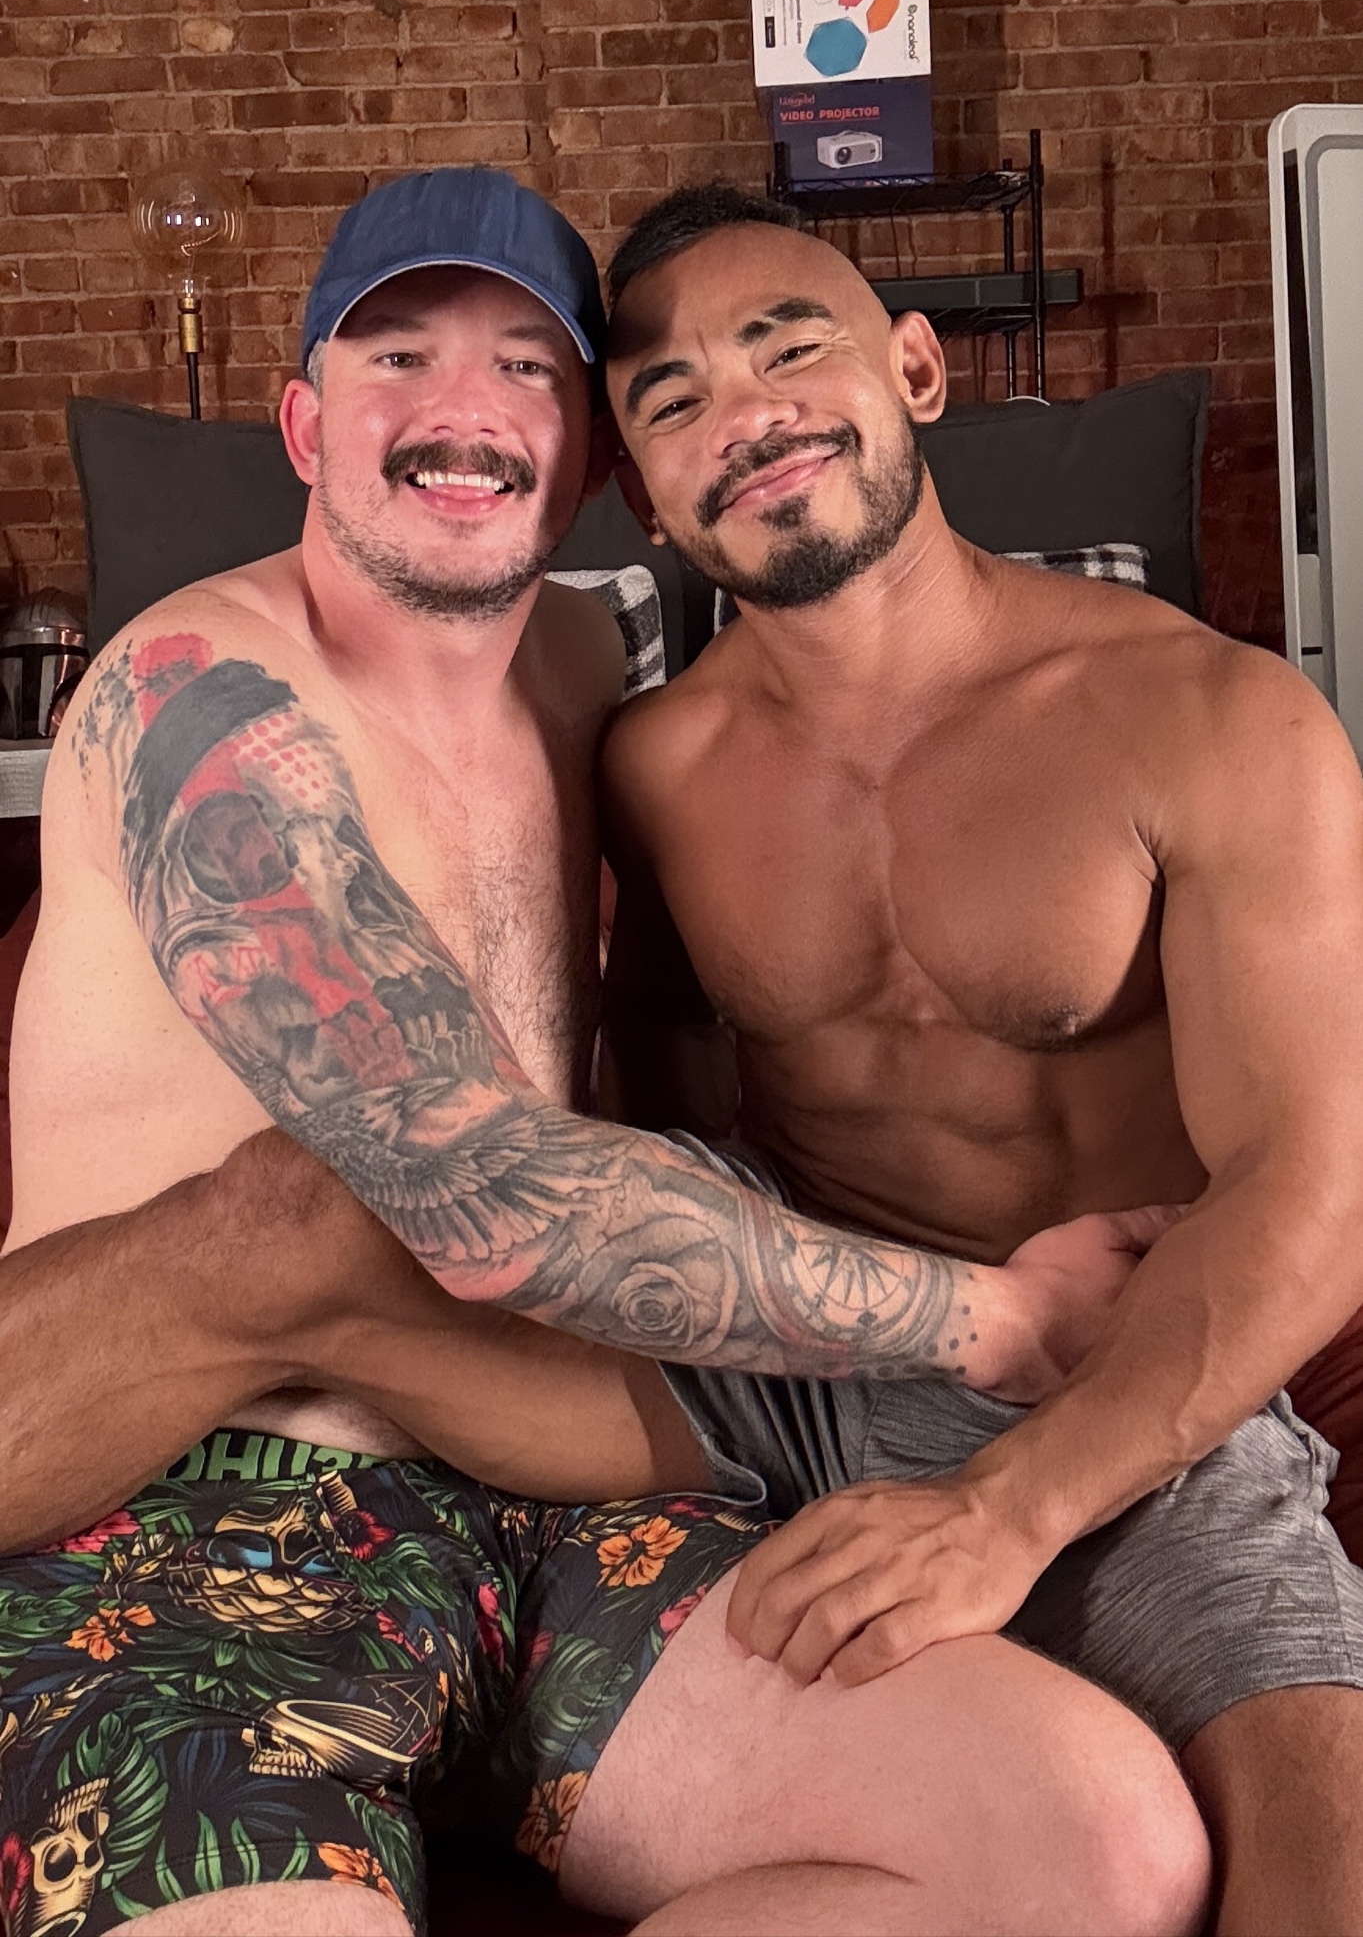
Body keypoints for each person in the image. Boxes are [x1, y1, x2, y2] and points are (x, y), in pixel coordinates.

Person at [0, 169, 1208, 1937]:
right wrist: (996, 1320)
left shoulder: (576, 665)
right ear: (305, 426)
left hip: (547, 1481)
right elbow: (475, 1187)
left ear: (589, 464)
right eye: (397, 356)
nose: (464, 409)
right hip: (197, 1510)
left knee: (1095, 1849)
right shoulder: (200, 692)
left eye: (527, 367)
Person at [593, 182, 1363, 1935]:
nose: (747, 415)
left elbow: (1316, 1187)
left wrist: (1007, 1512)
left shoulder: (1212, 715)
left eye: (792, 348)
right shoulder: (650, 768)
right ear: (643, 492)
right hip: (790, 1375)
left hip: (1118, 1399)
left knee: (1327, 1860)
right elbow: (648, 1117)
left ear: (919, 372)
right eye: (675, 398)